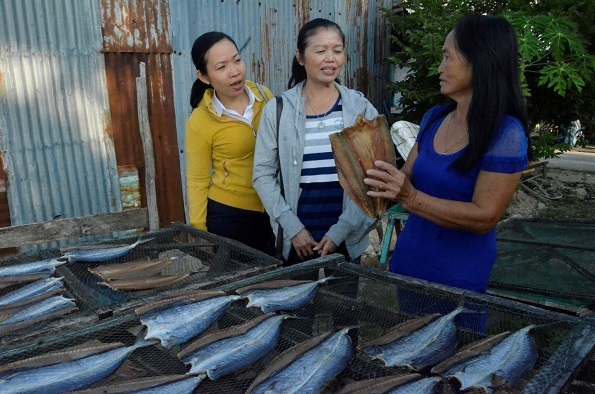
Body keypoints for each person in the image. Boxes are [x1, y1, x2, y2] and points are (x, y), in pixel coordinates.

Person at [365, 14, 530, 294]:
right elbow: (406, 177)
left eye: (447, 57)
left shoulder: (506, 134)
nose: (439, 67)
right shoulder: (434, 118)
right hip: (409, 263)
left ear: (479, 60)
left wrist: (411, 198)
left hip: (458, 278)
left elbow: (485, 217)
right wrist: (374, 178)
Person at [252, 18, 376, 265]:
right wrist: (293, 229)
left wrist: (341, 232)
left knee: (341, 303)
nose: (330, 58)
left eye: (337, 51)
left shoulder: (361, 109)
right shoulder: (277, 111)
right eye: (320, 51)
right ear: (300, 57)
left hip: (345, 238)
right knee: (296, 302)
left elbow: (374, 177)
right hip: (297, 240)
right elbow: (263, 175)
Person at [185, 31, 276, 255]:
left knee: (277, 283)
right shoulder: (200, 121)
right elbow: (197, 180)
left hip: (274, 207)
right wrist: (199, 231)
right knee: (239, 287)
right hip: (230, 216)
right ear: (204, 77)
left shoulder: (264, 96)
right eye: (221, 67)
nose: (234, 72)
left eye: (237, 60)